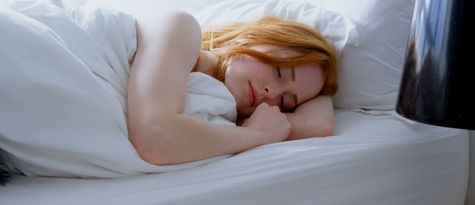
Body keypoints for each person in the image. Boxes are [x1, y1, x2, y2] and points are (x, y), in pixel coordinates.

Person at [127, 11, 338, 166]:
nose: (271, 94)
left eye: (285, 102)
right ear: (257, 38)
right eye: (279, 72)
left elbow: (317, 125)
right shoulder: (181, 28)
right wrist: (256, 134)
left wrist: (326, 90)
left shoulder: (222, 120)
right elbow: (155, 138)